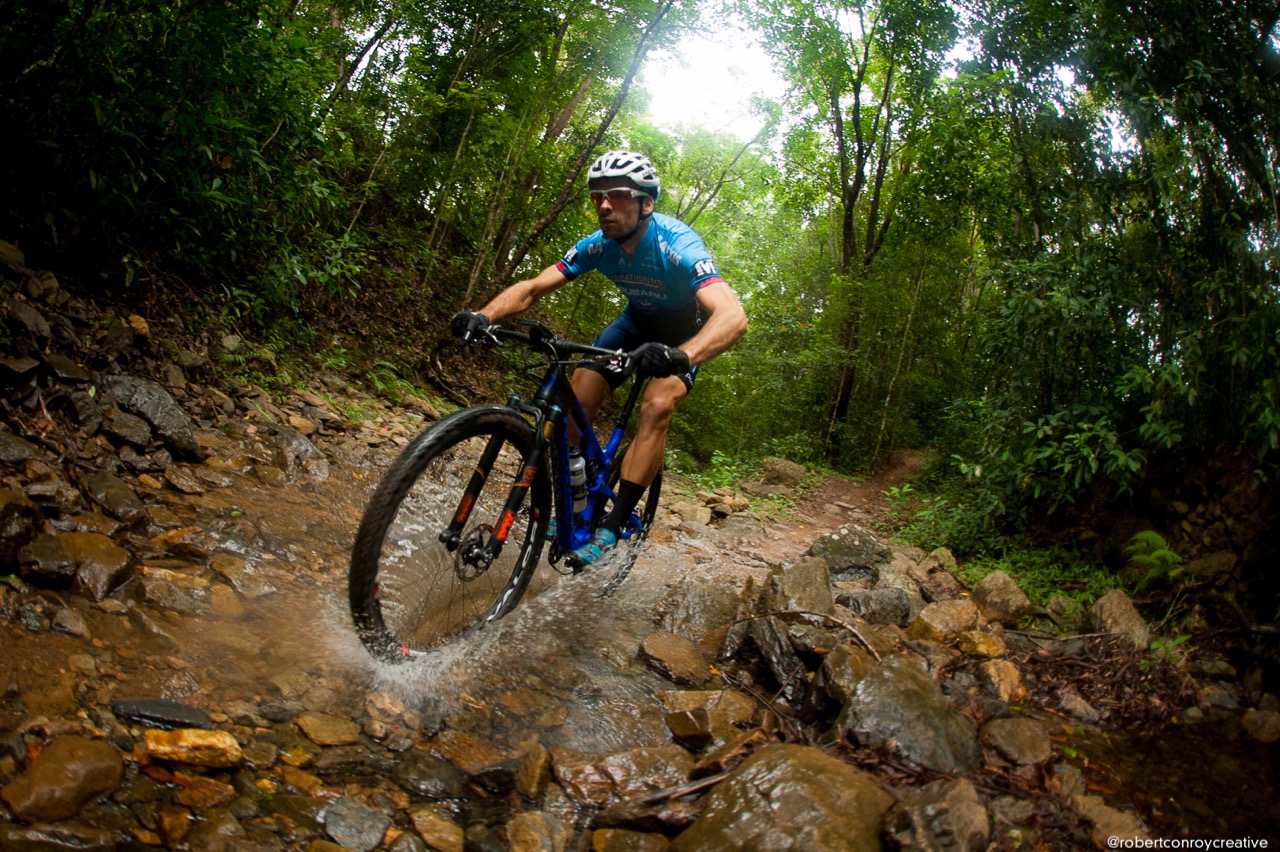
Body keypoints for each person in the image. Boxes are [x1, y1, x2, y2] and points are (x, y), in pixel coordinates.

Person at [451, 150, 748, 567]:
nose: (605, 205)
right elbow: (535, 287)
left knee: (657, 404)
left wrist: (681, 355)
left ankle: (614, 524)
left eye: (619, 195)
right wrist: (482, 315)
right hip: (634, 326)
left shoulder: (676, 243)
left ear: (646, 204)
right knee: (575, 401)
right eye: (597, 197)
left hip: (682, 336)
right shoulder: (598, 245)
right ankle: (574, 498)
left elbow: (733, 317)